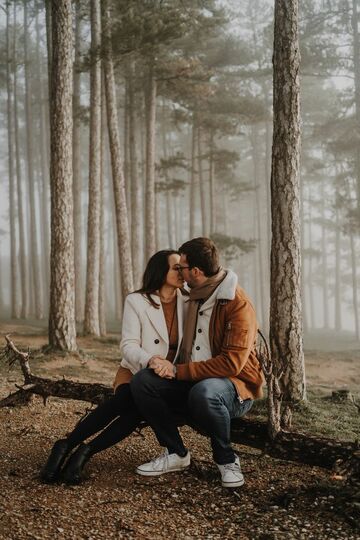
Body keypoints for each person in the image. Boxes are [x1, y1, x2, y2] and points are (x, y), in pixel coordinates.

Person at [40, 249, 186, 485]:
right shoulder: (137, 300)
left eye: (183, 267)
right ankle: (73, 448)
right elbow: (128, 345)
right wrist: (150, 360)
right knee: (131, 397)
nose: (182, 272)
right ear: (161, 271)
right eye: (176, 268)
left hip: (165, 377)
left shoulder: (188, 302)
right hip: (135, 369)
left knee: (137, 406)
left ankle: (78, 448)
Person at [130, 237, 264, 488]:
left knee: (206, 392)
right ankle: (176, 453)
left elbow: (231, 364)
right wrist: (157, 362)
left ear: (196, 272)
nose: (178, 271)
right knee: (143, 382)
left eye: (181, 267)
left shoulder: (237, 304)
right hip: (192, 382)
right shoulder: (192, 297)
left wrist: (178, 370)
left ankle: (226, 460)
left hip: (233, 388)